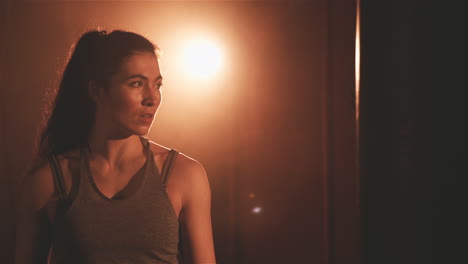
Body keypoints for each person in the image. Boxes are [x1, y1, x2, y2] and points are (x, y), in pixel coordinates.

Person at [15, 29, 216, 264]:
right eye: (137, 83)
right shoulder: (48, 182)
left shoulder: (184, 175)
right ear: (97, 91)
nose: (152, 98)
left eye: (157, 85)